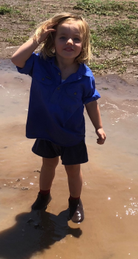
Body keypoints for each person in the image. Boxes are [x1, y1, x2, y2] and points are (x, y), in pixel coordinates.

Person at [11, 12, 106, 223]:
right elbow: (16, 59)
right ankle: (43, 195)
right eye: (62, 37)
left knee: (73, 170)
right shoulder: (40, 64)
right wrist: (38, 38)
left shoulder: (85, 75)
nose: (69, 42)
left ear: (84, 44)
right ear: (53, 40)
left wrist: (98, 127)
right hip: (46, 131)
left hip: (72, 134)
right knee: (48, 165)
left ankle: (75, 201)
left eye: (76, 39)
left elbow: (91, 102)